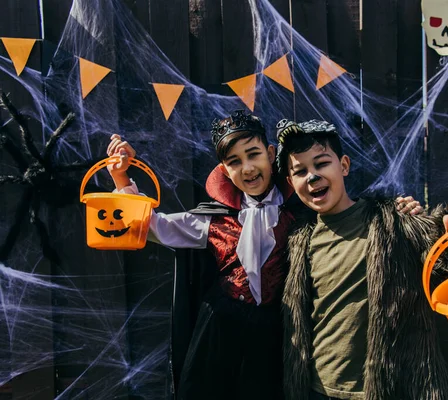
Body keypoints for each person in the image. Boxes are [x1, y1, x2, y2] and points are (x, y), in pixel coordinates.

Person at [105, 111, 423, 400]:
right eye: (234, 161)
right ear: (224, 171)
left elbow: (347, 219)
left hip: (275, 334)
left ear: (271, 155)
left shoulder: (303, 211)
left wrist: (398, 213)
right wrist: (122, 177)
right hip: (220, 331)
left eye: (253, 154)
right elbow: (151, 226)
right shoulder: (212, 220)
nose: (247, 167)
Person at [276, 119, 448, 400]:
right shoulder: (298, 240)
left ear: (343, 165)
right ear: (290, 182)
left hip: (394, 389)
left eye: (321, 164)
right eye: (301, 171)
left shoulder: (394, 221)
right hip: (319, 390)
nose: (312, 176)